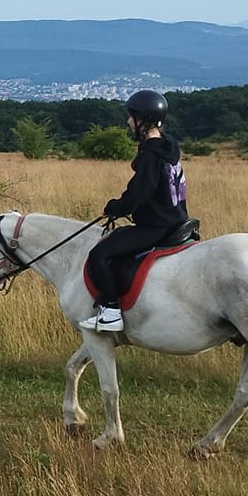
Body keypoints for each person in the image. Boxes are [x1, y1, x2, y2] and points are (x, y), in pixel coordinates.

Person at [80, 89, 188, 332]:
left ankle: (110, 311)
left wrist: (116, 208)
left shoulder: (151, 154)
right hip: (176, 220)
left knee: (99, 255)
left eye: (131, 117)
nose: (128, 122)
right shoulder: (168, 146)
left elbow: (139, 192)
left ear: (143, 120)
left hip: (156, 226)